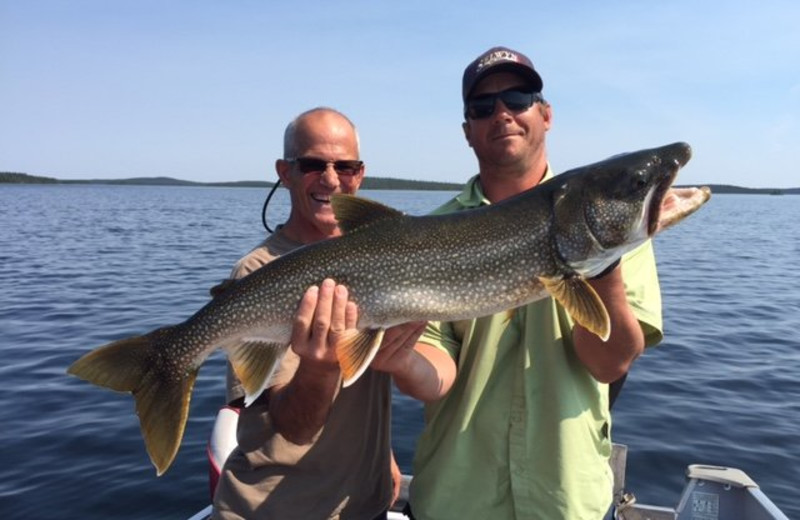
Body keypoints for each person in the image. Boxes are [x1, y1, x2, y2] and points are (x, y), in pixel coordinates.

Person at [407, 47, 664, 519]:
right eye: (482, 107)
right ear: (467, 131)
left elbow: (610, 364)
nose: (501, 113)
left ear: (545, 115)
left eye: (518, 98)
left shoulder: (617, 232)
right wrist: (392, 353)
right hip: (456, 500)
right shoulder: (428, 236)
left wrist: (600, 266)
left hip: (566, 501)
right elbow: (434, 373)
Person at [211, 107, 456, 520]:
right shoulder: (258, 272)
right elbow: (292, 428)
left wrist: (382, 456)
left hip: (366, 505)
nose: (330, 178)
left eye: (345, 166)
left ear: (360, 174)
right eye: (312, 165)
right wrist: (319, 369)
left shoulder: (384, 258)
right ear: (284, 172)